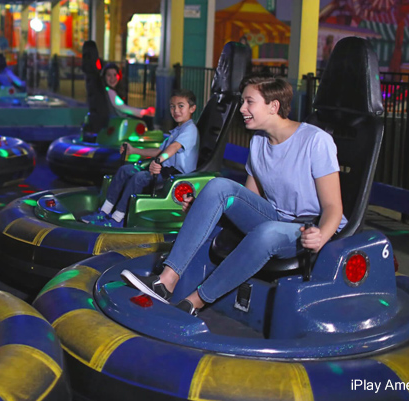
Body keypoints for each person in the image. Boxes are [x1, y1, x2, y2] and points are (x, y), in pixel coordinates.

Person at [121, 76, 347, 315]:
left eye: (249, 102)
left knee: (267, 232)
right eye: (242, 102)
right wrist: (206, 209)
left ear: (274, 106)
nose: (241, 109)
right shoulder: (259, 141)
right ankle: (165, 282)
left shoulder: (315, 140)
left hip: (306, 228)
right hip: (274, 218)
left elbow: (333, 207)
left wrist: (321, 235)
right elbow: (247, 200)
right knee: (218, 186)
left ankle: (195, 302)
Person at [82, 88, 200, 227]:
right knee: (125, 170)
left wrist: (159, 161)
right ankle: (104, 211)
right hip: (165, 171)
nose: (176, 111)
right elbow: (158, 150)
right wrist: (132, 150)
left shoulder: (190, 130)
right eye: (172, 107)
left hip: (175, 176)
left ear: (192, 108)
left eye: (181, 106)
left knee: (139, 178)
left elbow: (174, 147)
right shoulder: (177, 130)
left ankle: (118, 218)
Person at [101, 63, 154, 127]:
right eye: (109, 75)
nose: (112, 78)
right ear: (104, 76)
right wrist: (144, 112)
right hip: (119, 122)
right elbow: (123, 108)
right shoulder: (109, 91)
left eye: (115, 75)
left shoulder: (108, 91)